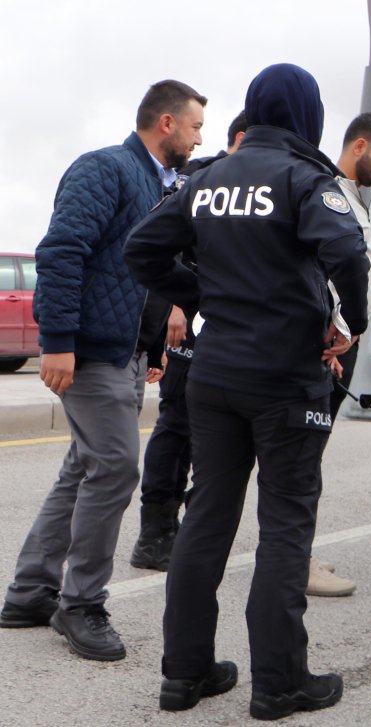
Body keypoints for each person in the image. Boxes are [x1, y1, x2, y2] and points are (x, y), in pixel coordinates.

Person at [124, 63, 370, 720]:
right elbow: (346, 250)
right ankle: (280, 681)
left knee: (204, 517)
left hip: (214, 372)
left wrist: (204, 295)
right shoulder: (306, 176)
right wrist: (350, 323)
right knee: (286, 525)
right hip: (286, 376)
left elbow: (141, 250)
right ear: (306, 116)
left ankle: (186, 672)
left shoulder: (205, 179)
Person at [0, 81, 206, 663]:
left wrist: (154, 343)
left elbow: (145, 273)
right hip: (90, 351)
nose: (198, 140)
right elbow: (63, 250)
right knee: (115, 468)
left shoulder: (160, 185)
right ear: (165, 123)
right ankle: (81, 603)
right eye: (194, 128)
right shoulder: (106, 168)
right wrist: (57, 343)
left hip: (126, 350)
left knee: (83, 468)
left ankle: (30, 593)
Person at [130, 110, 248, 572]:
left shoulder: (270, 185)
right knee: (177, 424)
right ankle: (155, 533)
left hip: (229, 330)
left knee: (210, 433)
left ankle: (191, 528)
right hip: (191, 321)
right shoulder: (201, 177)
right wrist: (181, 304)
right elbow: (166, 244)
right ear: (240, 138)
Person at [307, 111, 371, 598]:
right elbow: (327, 273)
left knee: (309, 460)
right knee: (303, 463)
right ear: (359, 145)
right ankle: (296, 562)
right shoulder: (327, 193)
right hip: (328, 343)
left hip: (339, 345)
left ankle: (294, 553)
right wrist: (338, 332)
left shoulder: (355, 202)